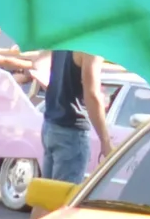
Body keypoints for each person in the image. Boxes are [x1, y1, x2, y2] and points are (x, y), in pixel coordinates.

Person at [39, 47, 114, 186]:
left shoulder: (67, 37)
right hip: (71, 131)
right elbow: (91, 94)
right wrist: (105, 141)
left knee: (45, 199)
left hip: (51, 123)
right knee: (62, 200)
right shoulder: (91, 47)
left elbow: (40, 62)